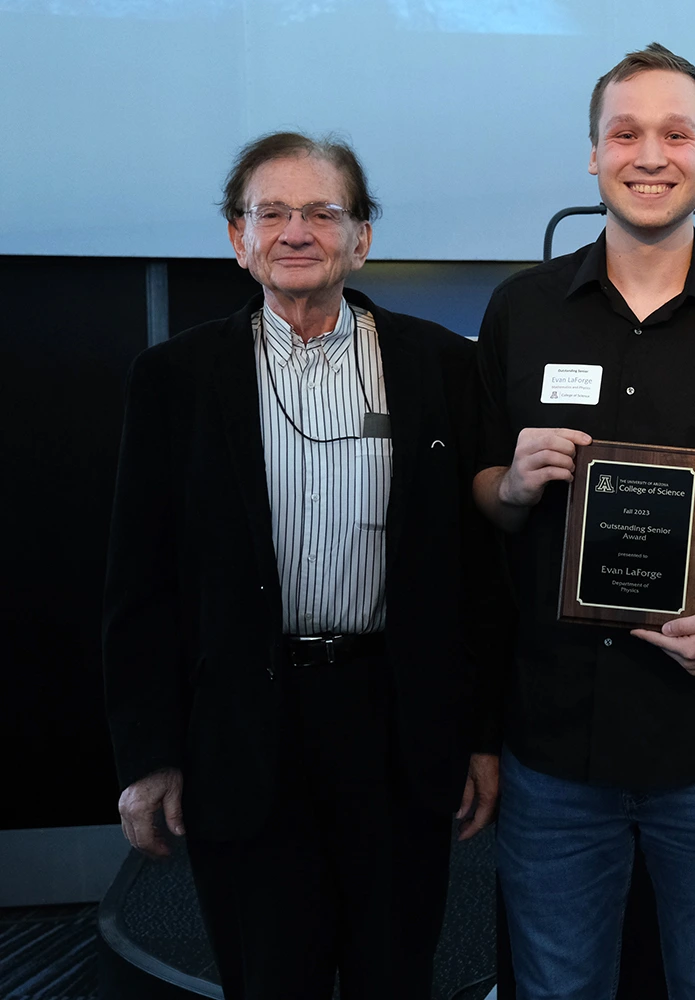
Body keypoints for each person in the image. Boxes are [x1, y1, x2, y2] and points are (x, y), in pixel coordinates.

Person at [103, 131, 503, 1000]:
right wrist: (147, 755)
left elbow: (475, 572)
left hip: (395, 723)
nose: (296, 231)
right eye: (270, 212)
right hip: (245, 728)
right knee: (269, 977)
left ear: (362, 237)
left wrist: (480, 734)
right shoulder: (174, 378)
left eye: (323, 211)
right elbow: (138, 585)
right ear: (236, 238)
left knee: (393, 975)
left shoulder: (443, 366)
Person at [471, 43, 695, 1000]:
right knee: (555, 991)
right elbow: (479, 486)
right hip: (552, 746)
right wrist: (511, 486)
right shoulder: (520, 311)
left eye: (677, 133)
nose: (650, 154)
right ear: (592, 154)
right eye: (625, 132)